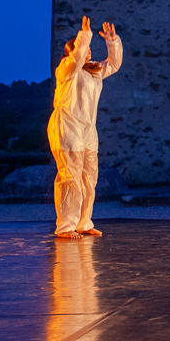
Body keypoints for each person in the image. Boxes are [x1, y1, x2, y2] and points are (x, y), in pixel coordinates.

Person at [48, 16, 122, 238]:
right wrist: (85, 35)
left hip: (87, 129)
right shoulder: (65, 69)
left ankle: (83, 222)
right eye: (84, 47)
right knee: (70, 176)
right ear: (72, 51)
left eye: (89, 47)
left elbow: (114, 64)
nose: (88, 50)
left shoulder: (94, 71)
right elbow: (76, 58)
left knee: (89, 177)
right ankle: (65, 226)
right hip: (67, 126)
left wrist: (112, 41)